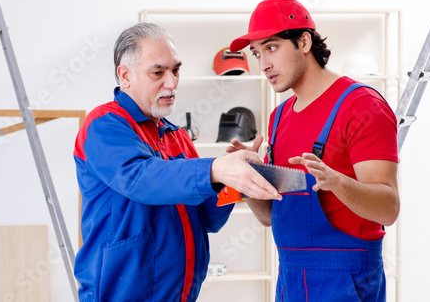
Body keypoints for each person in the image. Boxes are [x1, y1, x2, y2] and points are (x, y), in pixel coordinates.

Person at [73, 22, 281, 302]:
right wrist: (216, 168)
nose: (171, 82)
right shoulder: (104, 125)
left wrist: (232, 179)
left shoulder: (177, 136)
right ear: (125, 76)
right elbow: (141, 178)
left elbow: (207, 217)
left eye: (175, 70)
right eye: (158, 72)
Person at [227, 0, 399, 301]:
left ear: (304, 41)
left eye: (272, 47)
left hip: (345, 281)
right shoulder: (278, 118)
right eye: (256, 53)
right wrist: (249, 181)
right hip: (290, 278)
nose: (263, 63)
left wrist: (337, 183)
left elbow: (389, 208)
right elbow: (271, 217)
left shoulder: (360, 106)